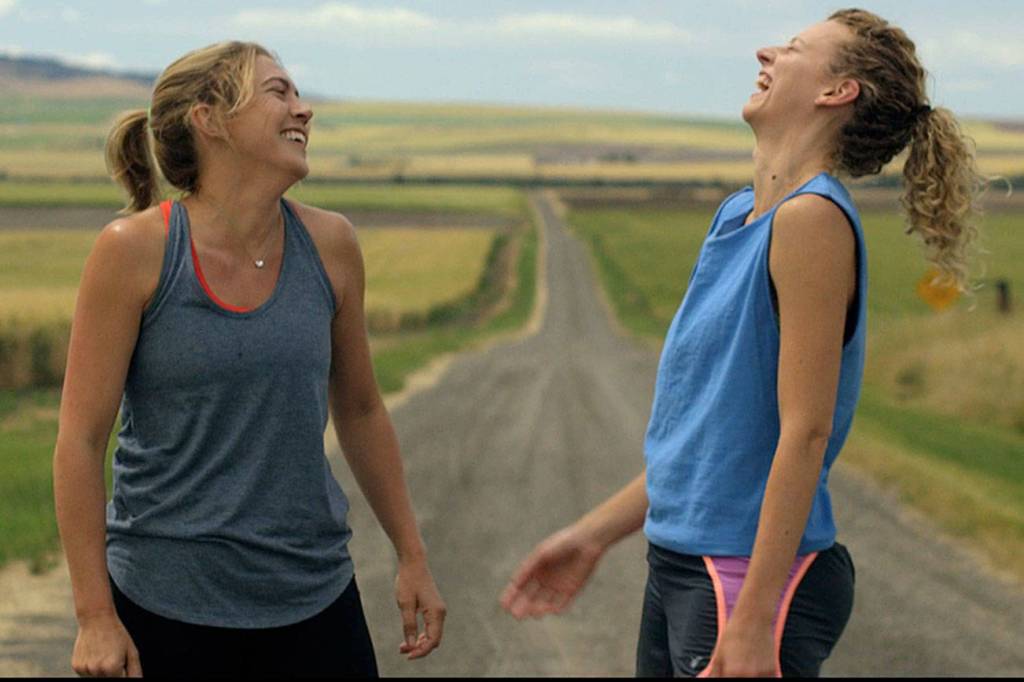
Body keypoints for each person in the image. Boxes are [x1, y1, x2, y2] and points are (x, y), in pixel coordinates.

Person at [501, 9, 983, 678]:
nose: (766, 52)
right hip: (682, 564)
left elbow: (805, 432)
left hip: (742, 578)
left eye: (793, 48)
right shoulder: (736, 216)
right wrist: (591, 536)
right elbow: (707, 443)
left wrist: (754, 617)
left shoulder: (811, 220)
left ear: (837, 91)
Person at [53, 41, 446, 677]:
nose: (303, 109)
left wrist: (412, 555)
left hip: (313, 595)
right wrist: (95, 616)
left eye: (298, 94)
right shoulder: (133, 250)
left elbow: (362, 410)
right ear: (210, 119)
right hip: (164, 604)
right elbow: (80, 439)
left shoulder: (332, 244)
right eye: (277, 92)